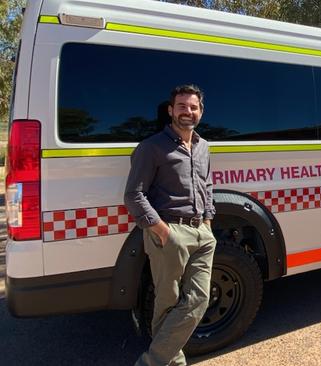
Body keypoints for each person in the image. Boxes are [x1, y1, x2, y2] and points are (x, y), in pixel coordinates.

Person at [125, 84, 217, 366]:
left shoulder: (203, 147)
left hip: (202, 232)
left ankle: (151, 362)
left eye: (193, 107)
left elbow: (207, 185)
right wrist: (163, 231)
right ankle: (172, 362)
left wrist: (208, 223)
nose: (187, 112)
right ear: (170, 110)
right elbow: (133, 195)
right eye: (181, 106)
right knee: (168, 304)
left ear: (200, 112)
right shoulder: (151, 147)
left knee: (198, 300)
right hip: (169, 232)